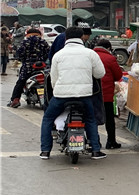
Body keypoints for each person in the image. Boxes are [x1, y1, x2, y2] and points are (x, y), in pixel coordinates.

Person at [39, 26, 106, 160]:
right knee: (90, 119)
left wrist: (59, 90)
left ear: (66, 38)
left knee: (48, 119)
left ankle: (45, 151)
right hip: (84, 96)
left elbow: (53, 79)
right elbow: (100, 73)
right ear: (82, 37)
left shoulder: (58, 55)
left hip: (61, 96)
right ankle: (96, 151)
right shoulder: (90, 54)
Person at [7, 27, 50, 108]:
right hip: (42, 67)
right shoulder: (43, 42)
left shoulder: (25, 42)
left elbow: (19, 54)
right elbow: (48, 53)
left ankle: (15, 100)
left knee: (20, 82)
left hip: (28, 67)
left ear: (28, 34)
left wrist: (21, 59)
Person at [93, 39, 123, 149]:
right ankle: (111, 142)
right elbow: (118, 75)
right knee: (109, 119)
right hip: (106, 95)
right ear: (108, 48)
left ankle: (94, 142)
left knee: (92, 118)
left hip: (92, 93)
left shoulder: (90, 55)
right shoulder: (110, 58)